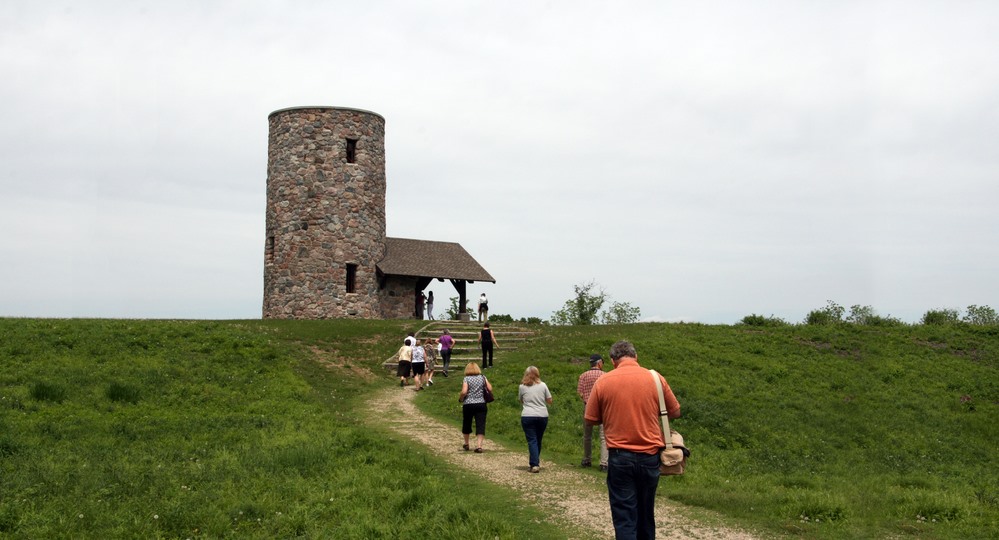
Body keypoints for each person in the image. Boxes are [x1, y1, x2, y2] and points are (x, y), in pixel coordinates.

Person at [584, 341, 681, 540]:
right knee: (646, 514)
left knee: (624, 515)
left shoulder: (604, 382)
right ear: (635, 357)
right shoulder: (655, 378)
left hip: (620, 457)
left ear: (612, 361)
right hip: (650, 456)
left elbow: (590, 419)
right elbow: (675, 411)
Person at [519, 366, 553, 473]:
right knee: (538, 439)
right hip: (542, 415)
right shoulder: (543, 385)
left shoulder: (522, 387)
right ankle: (534, 462)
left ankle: (534, 463)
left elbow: (521, 400)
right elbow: (549, 400)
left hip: (528, 415)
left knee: (532, 440)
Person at [578, 353, 609, 471]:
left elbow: (580, 393)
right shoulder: (605, 376)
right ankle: (604, 463)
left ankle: (587, 459)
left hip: (588, 407)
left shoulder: (583, 376)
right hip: (603, 408)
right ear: (600, 363)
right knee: (603, 436)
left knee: (587, 435)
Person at [458, 362, 492, 453]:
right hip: (481, 403)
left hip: (468, 404)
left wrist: (461, 397)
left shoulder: (466, 379)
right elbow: (490, 388)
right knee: (480, 423)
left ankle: (466, 443)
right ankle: (479, 446)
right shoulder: (483, 377)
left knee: (467, 422)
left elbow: (464, 391)